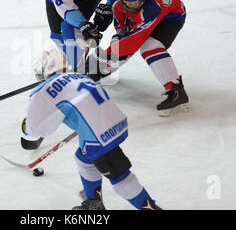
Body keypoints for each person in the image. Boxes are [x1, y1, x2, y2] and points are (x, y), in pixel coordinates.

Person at [22, 62, 161, 210]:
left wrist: (25, 127)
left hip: (98, 136)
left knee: (120, 177)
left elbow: (35, 130)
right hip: (114, 122)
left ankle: (151, 208)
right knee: (83, 158)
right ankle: (94, 202)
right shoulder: (76, 76)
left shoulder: (42, 90)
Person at [80, 0, 191, 117]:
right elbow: (122, 29)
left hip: (171, 17)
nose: (127, 3)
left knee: (150, 48)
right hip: (150, 14)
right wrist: (114, 44)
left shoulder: (152, 9)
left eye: (132, 1)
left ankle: (176, 90)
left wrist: (102, 60)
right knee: (120, 46)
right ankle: (99, 71)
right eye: (124, 0)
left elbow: (131, 43)